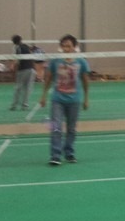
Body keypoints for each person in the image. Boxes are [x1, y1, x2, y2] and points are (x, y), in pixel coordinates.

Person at [39, 34, 90, 166]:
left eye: (69, 46)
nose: (66, 49)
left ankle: (69, 153)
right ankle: (55, 155)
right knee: (56, 128)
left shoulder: (81, 61)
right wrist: (43, 95)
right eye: (64, 46)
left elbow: (85, 80)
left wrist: (86, 98)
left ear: (74, 47)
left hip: (74, 100)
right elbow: (48, 78)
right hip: (57, 100)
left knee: (71, 129)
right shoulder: (55, 61)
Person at [10, 34, 35, 110]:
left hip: (23, 70)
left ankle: (14, 105)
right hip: (31, 69)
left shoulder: (17, 48)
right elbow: (31, 53)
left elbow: (17, 60)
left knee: (18, 88)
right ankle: (25, 105)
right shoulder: (26, 46)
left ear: (14, 42)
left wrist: (13, 67)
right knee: (27, 88)